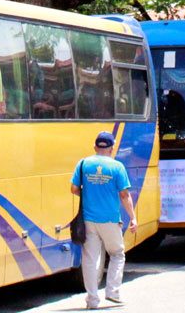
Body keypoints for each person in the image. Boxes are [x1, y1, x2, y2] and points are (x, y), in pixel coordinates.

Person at [70, 131, 137, 310]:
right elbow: (124, 195)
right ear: (112, 148)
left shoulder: (83, 164)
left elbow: (74, 189)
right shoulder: (117, 167)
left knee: (90, 259)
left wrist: (89, 194)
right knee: (117, 253)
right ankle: (112, 291)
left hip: (88, 220)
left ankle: (92, 300)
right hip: (109, 220)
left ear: (95, 146)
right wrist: (133, 217)